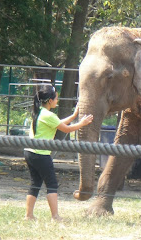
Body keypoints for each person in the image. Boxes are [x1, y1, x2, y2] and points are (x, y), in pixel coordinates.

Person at [24, 85, 93, 221]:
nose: (57, 101)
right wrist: (83, 123)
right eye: (56, 98)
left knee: (35, 184)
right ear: (50, 100)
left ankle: (29, 215)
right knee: (52, 185)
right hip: (41, 154)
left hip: (30, 152)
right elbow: (66, 129)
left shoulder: (39, 112)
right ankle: (55, 216)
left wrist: (74, 116)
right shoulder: (49, 115)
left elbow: (58, 124)